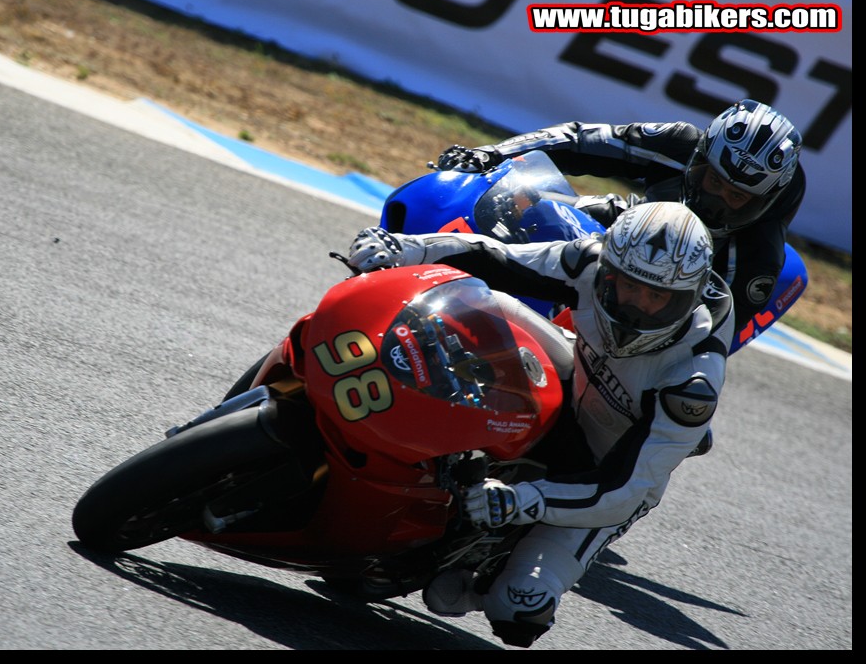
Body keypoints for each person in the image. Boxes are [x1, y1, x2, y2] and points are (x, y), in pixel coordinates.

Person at [344, 201, 734, 648]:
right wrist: (406, 248)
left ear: (686, 300)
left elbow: (623, 490)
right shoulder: (591, 260)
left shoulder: (692, 382)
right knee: (487, 303)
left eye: (657, 297)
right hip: (573, 377)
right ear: (609, 270)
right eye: (627, 286)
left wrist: (522, 501)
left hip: (604, 469)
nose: (637, 307)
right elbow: (496, 258)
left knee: (518, 610)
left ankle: (484, 575)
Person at [434, 99, 803, 335]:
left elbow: (710, 335)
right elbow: (579, 140)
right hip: (633, 221)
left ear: (762, 202)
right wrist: (491, 154)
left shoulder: (758, 257)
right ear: (700, 159)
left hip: (681, 292)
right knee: (532, 206)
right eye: (712, 181)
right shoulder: (679, 143)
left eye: (736, 196)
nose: (716, 201)